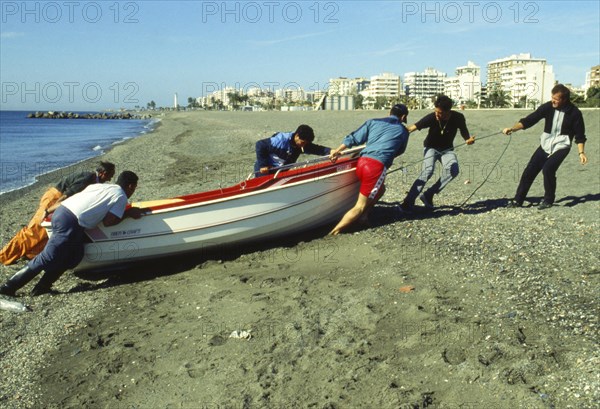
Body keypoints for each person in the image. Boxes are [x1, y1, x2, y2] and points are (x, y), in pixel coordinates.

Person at [0, 171, 143, 297]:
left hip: (62, 213)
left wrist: (49, 211)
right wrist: (128, 213)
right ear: (130, 186)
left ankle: (42, 287)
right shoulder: (121, 195)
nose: (133, 192)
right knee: (48, 256)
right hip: (70, 221)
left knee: (75, 256)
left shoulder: (99, 186)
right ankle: (9, 287)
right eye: (134, 188)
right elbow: (108, 222)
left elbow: (76, 199)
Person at [0, 161, 116, 265]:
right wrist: (50, 210)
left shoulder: (93, 180)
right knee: (34, 230)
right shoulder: (88, 178)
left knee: (46, 232)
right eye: (110, 175)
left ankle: (29, 254)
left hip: (58, 198)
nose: (110, 179)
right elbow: (66, 196)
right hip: (55, 199)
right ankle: (4, 256)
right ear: (103, 173)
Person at [328, 104, 410, 235]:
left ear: (389, 112)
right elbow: (400, 150)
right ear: (403, 117)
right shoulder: (403, 131)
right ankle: (334, 232)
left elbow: (354, 138)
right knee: (359, 206)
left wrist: (338, 151)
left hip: (362, 162)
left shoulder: (373, 122)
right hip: (375, 167)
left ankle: (364, 217)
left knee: (381, 189)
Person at [502, 84, 587, 210]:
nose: (553, 100)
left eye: (556, 99)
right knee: (529, 171)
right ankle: (518, 200)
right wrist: (512, 129)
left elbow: (580, 135)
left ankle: (548, 200)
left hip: (562, 146)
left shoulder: (575, 113)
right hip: (546, 143)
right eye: (552, 97)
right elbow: (530, 120)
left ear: (564, 100)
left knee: (548, 169)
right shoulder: (548, 107)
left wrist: (581, 153)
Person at [399, 95, 475, 211]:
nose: (437, 114)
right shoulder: (432, 117)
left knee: (453, 170)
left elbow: (464, 132)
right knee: (428, 171)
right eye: (436, 111)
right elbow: (411, 128)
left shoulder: (458, 117)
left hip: (447, 149)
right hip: (431, 147)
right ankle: (407, 202)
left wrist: (468, 140)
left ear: (448, 111)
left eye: (439, 113)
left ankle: (428, 194)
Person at [254, 124, 331, 177]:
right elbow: (260, 144)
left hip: (280, 171)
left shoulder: (301, 144)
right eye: (303, 142)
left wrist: (330, 151)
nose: (304, 145)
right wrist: (263, 165)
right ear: (297, 136)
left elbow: (316, 149)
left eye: (306, 143)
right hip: (265, 170)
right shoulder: (280, 140)